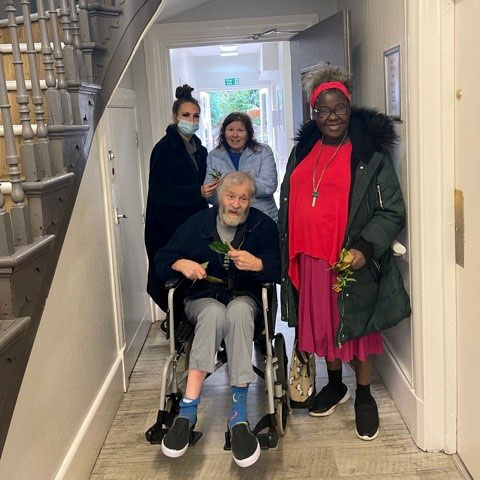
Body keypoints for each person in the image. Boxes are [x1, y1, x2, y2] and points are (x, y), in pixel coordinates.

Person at [278, 64, 411, 441]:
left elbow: (391, 210)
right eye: (323, 110)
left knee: (355, 328)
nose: (332, 116)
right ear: (313, 113)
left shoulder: (369, 154)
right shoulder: (303, 150)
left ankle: (364, 394)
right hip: (309, 257)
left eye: (339, 108)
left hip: (349, 260)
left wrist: (365, 248)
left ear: (349, 108)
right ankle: (336, 384)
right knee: (324, 327)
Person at [154, 172, 280, 467]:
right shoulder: (197, 224)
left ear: (251, 200)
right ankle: (187, 411)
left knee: (237, 311)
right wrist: (180, 263)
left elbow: (280, 268)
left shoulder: (263, 226)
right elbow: (161, 259)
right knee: (213, 313)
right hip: (202, 299)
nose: (235, 204)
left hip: (244, 299)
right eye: (230, 196)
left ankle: (238, 415)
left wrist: (259, 264)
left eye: (243, 198)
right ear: (219, 196)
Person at [145, 84, 219, 309]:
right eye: (186, 115)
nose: (192, 121)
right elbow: (159, 192)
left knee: (196, 277)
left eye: (196, 116)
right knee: (170, 278)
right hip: (166, 227)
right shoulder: (164, 149)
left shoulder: (200, 149)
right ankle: (174, 322)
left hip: (194, 224)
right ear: (175, 117)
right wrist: (197, 192)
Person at [205, 112, 278, 221]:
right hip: (228, 219)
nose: (235, 135)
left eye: (240, 130)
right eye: (230, 130)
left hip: (261, 217)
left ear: (248, 133)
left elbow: (268, 186)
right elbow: (210, 195)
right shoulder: (213, 156)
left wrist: (228, 188)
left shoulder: (263, 151)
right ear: (224, 132)